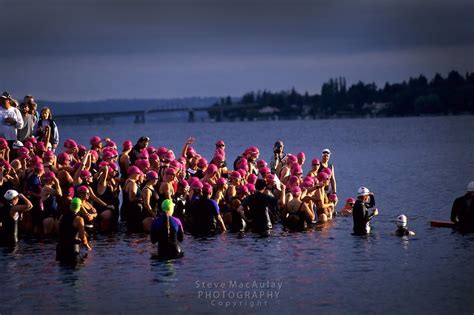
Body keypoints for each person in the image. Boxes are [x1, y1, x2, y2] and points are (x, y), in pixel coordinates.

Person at [56, 197, 92, 265]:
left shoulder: (62, 216)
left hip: (61, 248)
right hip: (72, 249)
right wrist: (87, 245)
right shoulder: (79, 219)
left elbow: (58, 230)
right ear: (79, 207)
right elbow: (82, 237)